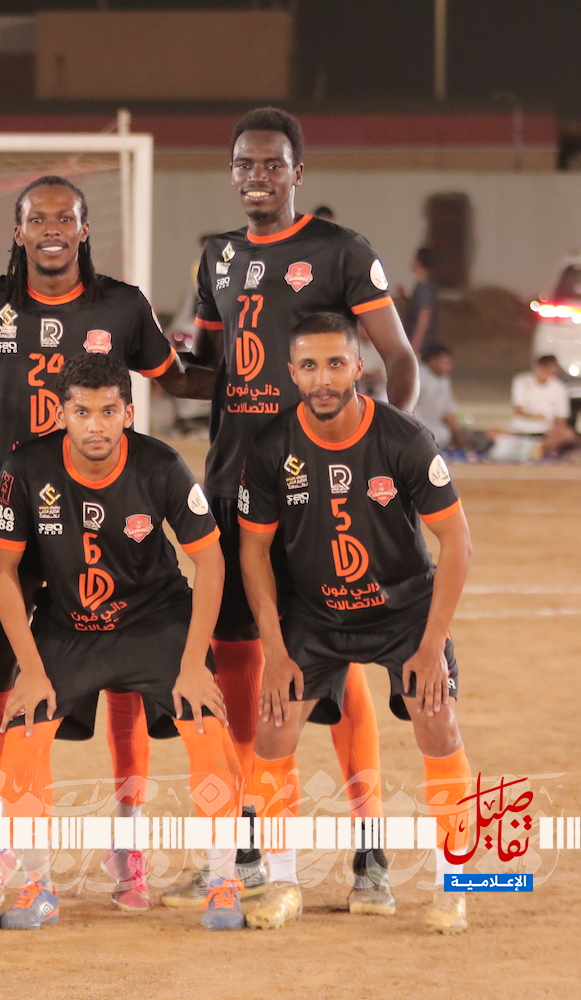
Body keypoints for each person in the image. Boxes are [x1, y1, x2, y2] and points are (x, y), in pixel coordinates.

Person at [163, 107, 420, 912]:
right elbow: (211, 371)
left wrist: (390, 459)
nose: (257, 177)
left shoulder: (342, 251)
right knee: (241, 660)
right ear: (231, 173)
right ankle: (249, 843)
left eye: (272, 164)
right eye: (245, 164)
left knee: (337, 664)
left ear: (298, 173)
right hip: (234, 487)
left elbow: (398, 357)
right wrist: (139, 353)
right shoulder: (219, 257)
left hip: (324, 492)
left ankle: (369, 849)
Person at [0, 174, 200, 909]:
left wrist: (266, 383)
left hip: (100, 503)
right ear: (18, 230)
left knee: (124, 663)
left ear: (85, 228)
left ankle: (128, 839)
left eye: (65, 217)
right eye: (37, 218)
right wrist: (0, 405)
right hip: (19, 505)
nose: (52, 229)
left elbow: (176, 380)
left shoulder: (122, 305)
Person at [236, 312, 475, 934]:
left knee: (437, 720)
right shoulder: (270, 447)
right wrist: (275, 650)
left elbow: (457, 543)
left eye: (336, 364)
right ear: (292, 373)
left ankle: (456, 886)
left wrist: (431, 645)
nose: (323, 379)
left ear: (359, 367)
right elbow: (253, 552)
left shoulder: (404, 438)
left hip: (403, 610)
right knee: (275, 727)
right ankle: (282, 883)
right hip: (316, 614)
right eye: (309, 366)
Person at [0, 354, 241, 930]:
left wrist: (195, 664)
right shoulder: (25, 468)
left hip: (155, 622)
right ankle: (37, 886)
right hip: (67, 625)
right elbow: (2, 573)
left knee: (207, 729)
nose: (95, 425)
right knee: (23, 737)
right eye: (82, 412)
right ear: (61, 414)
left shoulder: (160, 464)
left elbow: (211, 563)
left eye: (108, 411)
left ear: (128, 413)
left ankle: (224, 881)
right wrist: (30, 668)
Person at [510, 354, 576, 458]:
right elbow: (518, 409)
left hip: (547, 431)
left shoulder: (559, 387)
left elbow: (561, 416)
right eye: (546, 368)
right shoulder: (522, 382)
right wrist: (535, 417)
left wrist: (557, 429)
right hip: (522, 429)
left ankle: (542, 449)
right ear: (537, 367)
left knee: (569, 436)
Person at [414, 347, 475, 453]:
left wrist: (457, 435)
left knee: (443, 434)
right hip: (416, 428)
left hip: (432, 428)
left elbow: (448, 412)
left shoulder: (443, 379)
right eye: (445, 363)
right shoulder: (418, 376)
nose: (449, 367)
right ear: (432, 360)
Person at [406, 248, 440, 354]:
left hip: (422, 345)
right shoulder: (428, 283)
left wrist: (415, 346)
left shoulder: (423, 286)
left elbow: (424, 317)